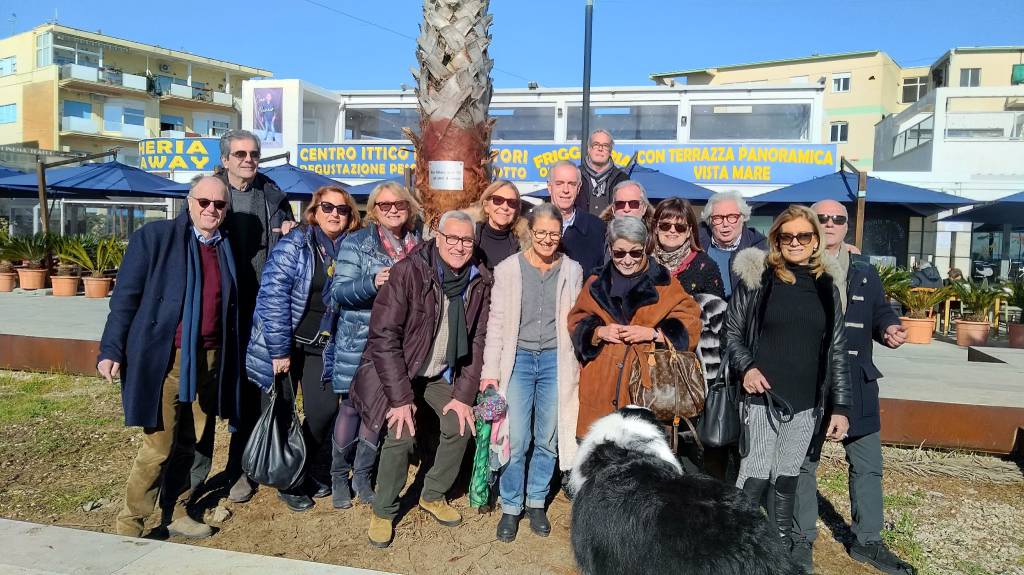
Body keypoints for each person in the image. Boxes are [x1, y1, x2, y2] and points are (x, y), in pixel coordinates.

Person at [99, 175, 241, 539]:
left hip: (211, 358)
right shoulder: (156, 238)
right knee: (158, 446)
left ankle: (176, 510)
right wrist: (111, 349)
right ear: (189, 201)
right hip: (165, 358)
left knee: (191, 442)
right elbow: (125, 299)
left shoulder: (226, 245)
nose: (211, 209)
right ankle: (131, 522)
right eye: (204, 202)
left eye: (219, 204)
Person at [350, 210, 493, 548]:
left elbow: (479, 340)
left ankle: (432, 494)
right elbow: (384, 337)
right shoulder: (409, 272)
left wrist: (462, 395)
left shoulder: (478, 280)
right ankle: (384, 511)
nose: (459, 246)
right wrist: (401, 400)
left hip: (439, 372)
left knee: (460, 424)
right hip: (401, 371)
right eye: (452, 238)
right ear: (437, 237)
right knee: (401, 431)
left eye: (467, 240)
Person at [725, 204, 851, 571]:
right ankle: (739, 550)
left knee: (786, 477)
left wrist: (840, 407)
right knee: (756, 472)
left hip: (806, 401)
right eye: (787, 236)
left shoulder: (827, 286)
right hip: (761, 396)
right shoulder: (758, 278)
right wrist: (746, 368)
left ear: (815, 240)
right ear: (776, 240)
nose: (795, 242)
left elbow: (837, 349)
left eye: (803, 236)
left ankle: (777, 551)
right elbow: (731, 332)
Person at [793, 200, 914, 575]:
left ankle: (869, 541)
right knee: (803, 465)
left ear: (847, 227)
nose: (830, 223)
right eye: (822, 218)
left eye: (837, 219)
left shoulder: (863, 268)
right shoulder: (792, 266)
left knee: (867, 465)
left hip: (858, 378)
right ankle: (801, 542)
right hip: (808, 380)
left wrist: (889, 327)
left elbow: (879, 309)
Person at [245, 185, 361, 512]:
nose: (335, 214)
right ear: (314, 211)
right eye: (327, 207)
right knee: (280, 412)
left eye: (342, 209)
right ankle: (289, 482)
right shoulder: (295, 244)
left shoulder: (351, 249)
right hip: (286, 343)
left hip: (322, 347)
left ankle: (299, 466)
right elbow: (273, 299)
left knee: (323, 411)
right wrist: (280, 351)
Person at [479, 203, 584, 543]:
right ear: (529, 232)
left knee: (548, 438)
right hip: (519, 360)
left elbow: (576, 320)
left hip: (556, 361)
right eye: (541, 233)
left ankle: (536, 500)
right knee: (516, 437)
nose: (547, 239)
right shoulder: (509, 269)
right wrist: (490, 372)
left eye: (554, 234)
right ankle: (512, 506)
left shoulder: (572, 269)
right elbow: (496, 324)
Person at [328, 181, 422, 510]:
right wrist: (372, 282)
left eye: (398, 204)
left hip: (396, 344)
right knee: (352, 407)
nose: (392, 209)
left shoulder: (417, 245)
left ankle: (362, 477)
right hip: (360, 338)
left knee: (378, 409)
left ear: (408, 207)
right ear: (374, 210)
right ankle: (339, 475)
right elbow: (338, 293)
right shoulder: (357, 243)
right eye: (384, 205)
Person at [567, 216, 702, 439]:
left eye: (635, 253)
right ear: (610, 249)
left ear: (645, 249)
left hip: (645, 388)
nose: (627, 260)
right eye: (619, 253)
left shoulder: (664, 282)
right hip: (601, 384)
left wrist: (654, 334)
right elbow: (576, 320)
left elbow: (691, 321)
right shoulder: (596, 282)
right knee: (599, 456)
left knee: (639, 459)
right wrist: (598, 332)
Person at [217, 129, 297, 504]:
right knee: (231, 393)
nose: (248, 160)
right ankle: (225, 468)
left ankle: (261, 464)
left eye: (253, 154)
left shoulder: (273, 196)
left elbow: (291, 245)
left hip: (265, 307)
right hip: (223, 308)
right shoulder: (211, 195)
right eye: (240, 154)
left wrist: (292, 233)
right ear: (225, 159)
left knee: (267, 388)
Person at [651, 197, 725, 299]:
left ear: (689, 231)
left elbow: (717, 310)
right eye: (665, 225)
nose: (672, 230)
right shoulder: (642, 262)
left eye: (680, 227)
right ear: (656, 228)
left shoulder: (706, 267)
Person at [698, 191, 767, 299]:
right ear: (709, 221)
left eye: (732, 217)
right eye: (718, 218)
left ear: (743, 218)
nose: (725, 224)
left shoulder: (761, 250)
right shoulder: (694, 246)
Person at [548, 160, 606, 277]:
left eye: (571, 184)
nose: (566, 190)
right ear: (550, 187)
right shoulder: (530, 224)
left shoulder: (597, 228)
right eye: (559, 183)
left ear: (578, 188)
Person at [468, 179, 529, 270]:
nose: (505, 207)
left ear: (517, 210)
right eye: (498, 200)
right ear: (486, 206)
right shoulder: (469, 236)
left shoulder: (525, 245)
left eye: (511, 203)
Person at [578, 129, 630, 216]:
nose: (600, 148)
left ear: (610, 151)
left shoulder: (622, 179)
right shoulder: (576, 175)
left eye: (605, 145)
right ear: (589, 149)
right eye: (596, 144)